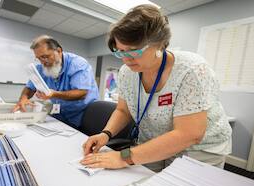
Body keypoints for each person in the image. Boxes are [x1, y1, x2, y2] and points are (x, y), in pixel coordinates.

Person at [80, 4, 232, 172]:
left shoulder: (192, 69)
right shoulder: (127, 72)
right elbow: (123, 110)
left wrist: (123, 157)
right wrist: (105, 134)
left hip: (197, 150)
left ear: (160, 44)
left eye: (133, 51)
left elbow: (189, 134)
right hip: (151, 142)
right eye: (120, 51)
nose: (125, 59)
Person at [13, 35, 99, 128]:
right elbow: (30, 87)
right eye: (39, 58)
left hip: (82, 114)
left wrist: (54, 94)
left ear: (58, 51)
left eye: (45, 56)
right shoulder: (41, 68)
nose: (42, 62)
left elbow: (82, 93)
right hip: (60, 113)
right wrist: (23, 98)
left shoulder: (78, 64)